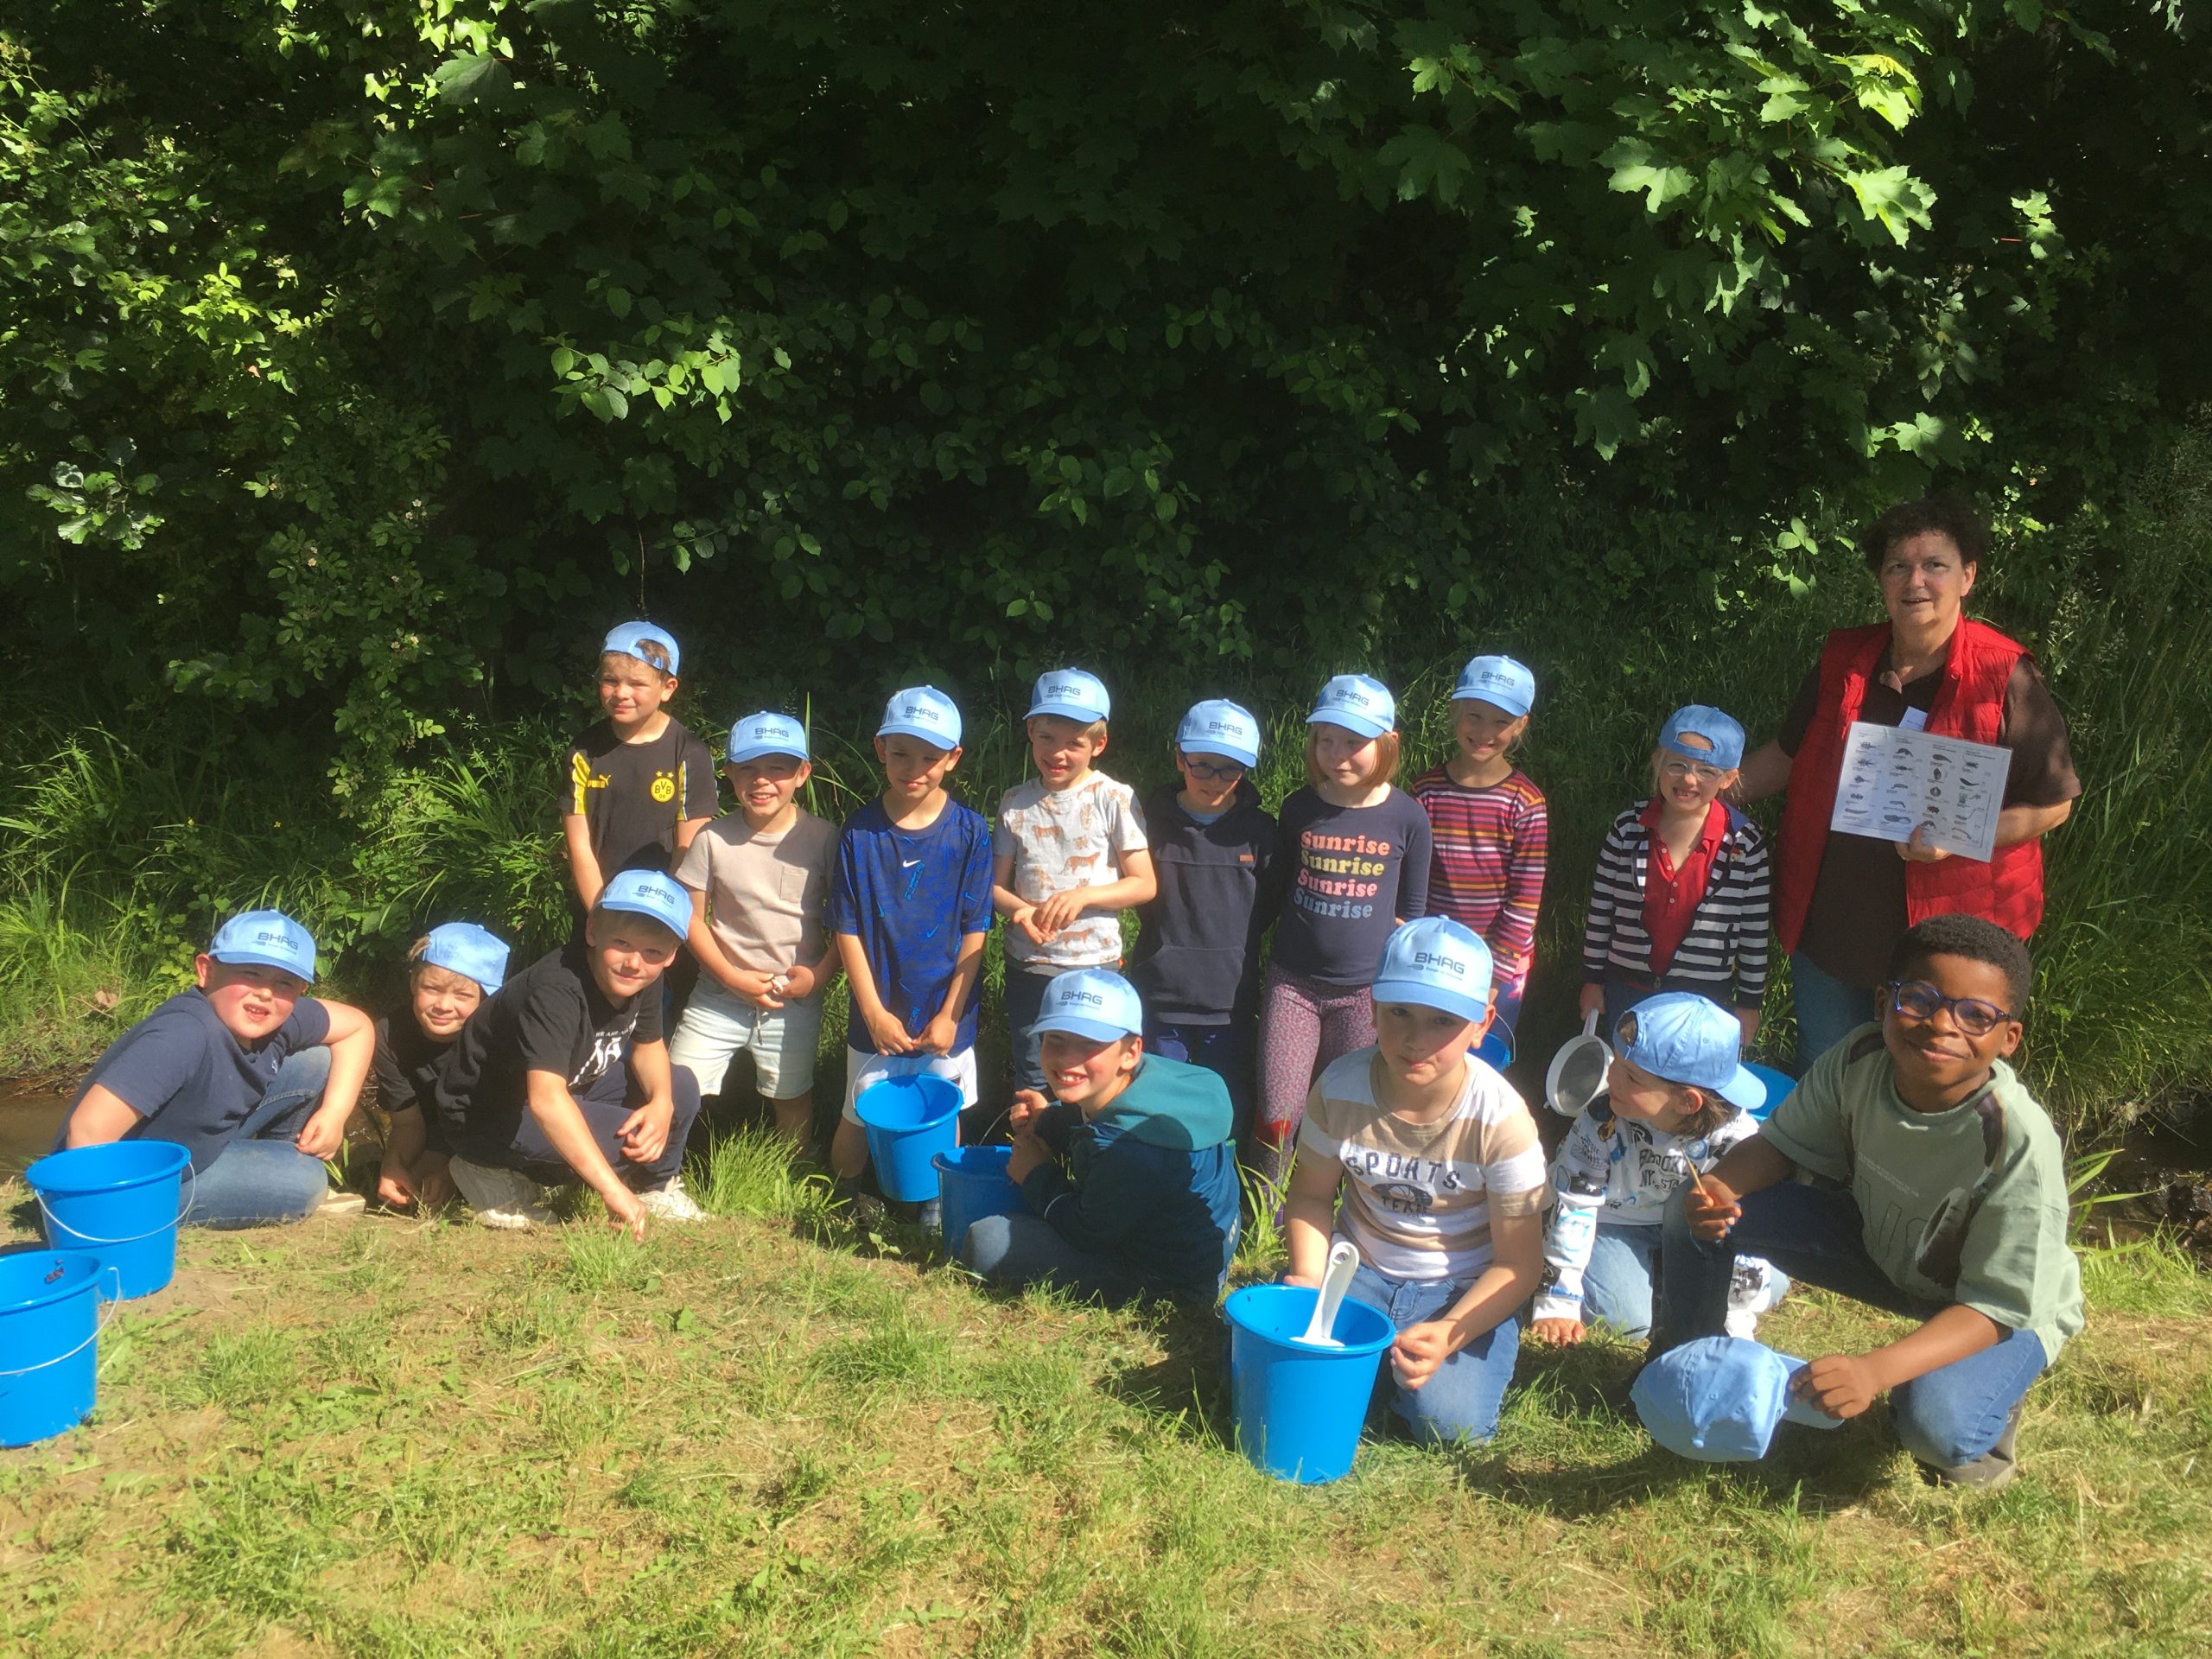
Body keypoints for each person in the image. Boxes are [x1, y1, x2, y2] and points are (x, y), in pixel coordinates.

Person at [1654, 914, 2083, 1489]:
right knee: (1693, 1208)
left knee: (1938, 1432)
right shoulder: (1858, 1059)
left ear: (2008, 1038)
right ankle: (1686, 1364)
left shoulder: (2016, 1139)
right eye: (1920, 999)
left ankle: (1984, 1409)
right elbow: (1781, 1146)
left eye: (1975, 1015)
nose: (1940, 1025)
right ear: (1884, 1001)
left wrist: (1875, 1370)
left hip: (1989, 1307)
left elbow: (1998, 1304)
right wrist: (1722, 1188)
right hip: (1884, 1250)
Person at [1732, 499, 2080, 1070]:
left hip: (1945, 950)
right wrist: (1703, 787)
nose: (1915, 581)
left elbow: (2053, 806)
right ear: (1880, 580)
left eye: (1934, 565)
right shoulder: (1844, 659)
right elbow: (1786, 757)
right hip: (1833, 935)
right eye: (1898, 566)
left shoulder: (2005, 674)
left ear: (1968, 576)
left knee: (1928, 1095)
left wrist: (1959, 832)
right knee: (1831, 1085)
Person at [1283, 917, 1545, 1446]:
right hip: (1357, 1270)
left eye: (1443, 1021)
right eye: (1399, 1011)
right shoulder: (1339, 1087)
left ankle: (1404, 1363)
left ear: (1482, 1023)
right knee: (1271, 1370)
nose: (1414, 1039)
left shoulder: (1502, 1119)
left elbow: (1520, 1264)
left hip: (1462, 1288)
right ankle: (1371, 1360)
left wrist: (1451, 1333)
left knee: (1449, 1425)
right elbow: (1310, 1195)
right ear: (1373, 1007)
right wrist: (1311, 1279)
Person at [58, 910, 372, 1228]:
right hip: (144, 1179)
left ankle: (268, 1166)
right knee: (305, 1182)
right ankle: (273, 1181)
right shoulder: (184, 1034)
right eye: (251, 973)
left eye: (285, 982)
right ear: (206, 971)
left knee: (314, 1058)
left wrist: (334, 1113)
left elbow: (358, 1026)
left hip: (203, 1140)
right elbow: (88, 1129)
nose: (265, 992)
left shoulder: (275, 1014)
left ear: (300, 990)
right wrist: (94, 1221)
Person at [433, 869, 707, 1235]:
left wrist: (661, 1105)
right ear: (592, 930)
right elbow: (546, 1100)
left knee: (680, 1088)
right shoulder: (556, 990)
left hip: (566, 1086)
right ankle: (486, 1169)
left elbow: (648, 1045)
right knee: (624, 1144)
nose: (634, 962)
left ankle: (656, 1187)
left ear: (670, 955)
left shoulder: (644, 976)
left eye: (652, 952)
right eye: (622, 943)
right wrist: (612, 1190)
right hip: (488, 1115)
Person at [958, 969, 1240, 1305]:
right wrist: (1048, 1116)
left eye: (1089, 1044)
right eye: (1055, 1040)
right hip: (1211, 1244)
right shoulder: (1154, 1078)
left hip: (1171, 1279)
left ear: (1131, 1052)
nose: (1066, 1059)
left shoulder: (1131, 1151)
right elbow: (1103, 1116)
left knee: (986, 1241)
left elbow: (1086, 1231)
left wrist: (1035, 1174)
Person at [1251, 673, 1432, 1192]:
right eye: (1326, 739)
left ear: (1387, 743)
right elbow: (1276, 889)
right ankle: (1267, 1207)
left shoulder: (1408, 818)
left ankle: (1337, 1201)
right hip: (1294, 984)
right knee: (1279, 1107)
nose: (1338, 754)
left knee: (1348, 1106)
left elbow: (1411, 914)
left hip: (1363, 993)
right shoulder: (1299, 808)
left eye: (1354, 742)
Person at [1526, 992, 1782, 1348]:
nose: (1610, 1077)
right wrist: (1559, 1298)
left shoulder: (1737, 1139)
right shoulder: (1603, 1116)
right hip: (1618, 1220)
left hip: (1687, 1224)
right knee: (1625, 1321)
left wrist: (1734, 1322)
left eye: (1631, 1078)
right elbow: (1575, 1200)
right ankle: (1662, 1278)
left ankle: (1668, 1277)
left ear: (1687, 1101)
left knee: (1772, 1279)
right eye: (1615, 1061)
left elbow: (1742, 1224)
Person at [828, 686, 995, 1185]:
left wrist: (949, 1015)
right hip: (877, 1014)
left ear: (954, 758)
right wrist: (873, 1013)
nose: (914, 768)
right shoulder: (858, 834)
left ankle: (937, 1204)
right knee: (858, 1113)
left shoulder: (970, 832)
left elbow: (976, 928)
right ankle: (841, 1199)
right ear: (880, 749)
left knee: (942, 1114)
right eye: (901, 753)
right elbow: (846, 927)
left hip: (948, 1017)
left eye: (930, 756)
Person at [666, 711, 839, 1149]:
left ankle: (790, 1177)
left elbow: (848, 925)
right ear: (729, 774)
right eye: (748, 768)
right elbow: (690, 917)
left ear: (802, 773)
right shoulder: (712, 839)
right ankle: (659, 1175)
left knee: (792, 1096)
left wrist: (817, 977)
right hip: (718, 992)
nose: (762, 781)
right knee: (674, 1085)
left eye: (777, 767)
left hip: (793, 996)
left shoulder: (825, 838)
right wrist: (730, 977)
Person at [1126, 699, 1285, 1142]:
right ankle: (1163, 1187)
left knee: (1225, 1100)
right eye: (1202, 766)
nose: (1215, 780)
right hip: (1161, 995)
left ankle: (1221, 1189)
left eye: (1229, 770)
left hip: (1229, 999)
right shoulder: (1146, 825)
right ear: (1180, 757)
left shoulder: (1261, 832)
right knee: (1157, 1099)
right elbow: (1139, 894)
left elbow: (1269, 902)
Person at [992, 669, 1156, 1092]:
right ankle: (1035, 1154)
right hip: (1030, 963)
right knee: (1033, 1068)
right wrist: (1021, 911)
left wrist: (1083, 896)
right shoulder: (1014, 802)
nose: (1058, 753)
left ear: (1098, 745)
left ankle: (1087, 1153)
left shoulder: (1114, 797)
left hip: (1094, 966)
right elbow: (993, 887)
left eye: (1074, 743)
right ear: (1031, 731)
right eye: (1047, 737)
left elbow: (1143, 884)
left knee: (1091, 1072)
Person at [1580, 706, 1771, 1046]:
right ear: (1658, 763)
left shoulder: (1745, 843)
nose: (1688, 779)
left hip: (1703, 1001)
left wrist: (1749, 1003)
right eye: (1677, 765)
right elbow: (1600, 911)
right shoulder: (1627, 828)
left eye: (1706, 770)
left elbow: (1754, 932)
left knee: (1684, 1089)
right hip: (1626, 991)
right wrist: (1593, 981)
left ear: (1728, 778)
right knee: (1624, 1082)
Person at [1410, 654, 1548, 1035]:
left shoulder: (1526, 802)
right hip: (1433, 955)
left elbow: (1525, 899)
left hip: (1499, 965)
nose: (1485, 731)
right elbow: (1412, 881)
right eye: (1474, 715)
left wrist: (1494, 980)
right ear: (1454, 711)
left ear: (1521, 726)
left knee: (1482, 1059)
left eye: (1501, 721)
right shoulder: (1425, 791)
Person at [562, 620, 717, 914]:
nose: (620, 693)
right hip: (597, 908)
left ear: (667, 688)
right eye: (610, 680)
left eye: (637, 683)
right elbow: (579, 847)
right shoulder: (583, 751)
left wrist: (660, 919)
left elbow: (689, 855)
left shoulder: (688, 753)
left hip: (665, 911)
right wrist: (601, 916)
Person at [372, 923, 510, 1213]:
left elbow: (502, 1119)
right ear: (413, 984)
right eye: (432, 989)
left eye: (463, 996)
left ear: (486, 999)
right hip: (432, 1124)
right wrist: (393, 1162)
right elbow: (408, 1123)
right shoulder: (388, 1035)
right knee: (408, 1182)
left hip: (494, 1128)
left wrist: (453, 1169)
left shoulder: (498, 1038)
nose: (444, 1005)